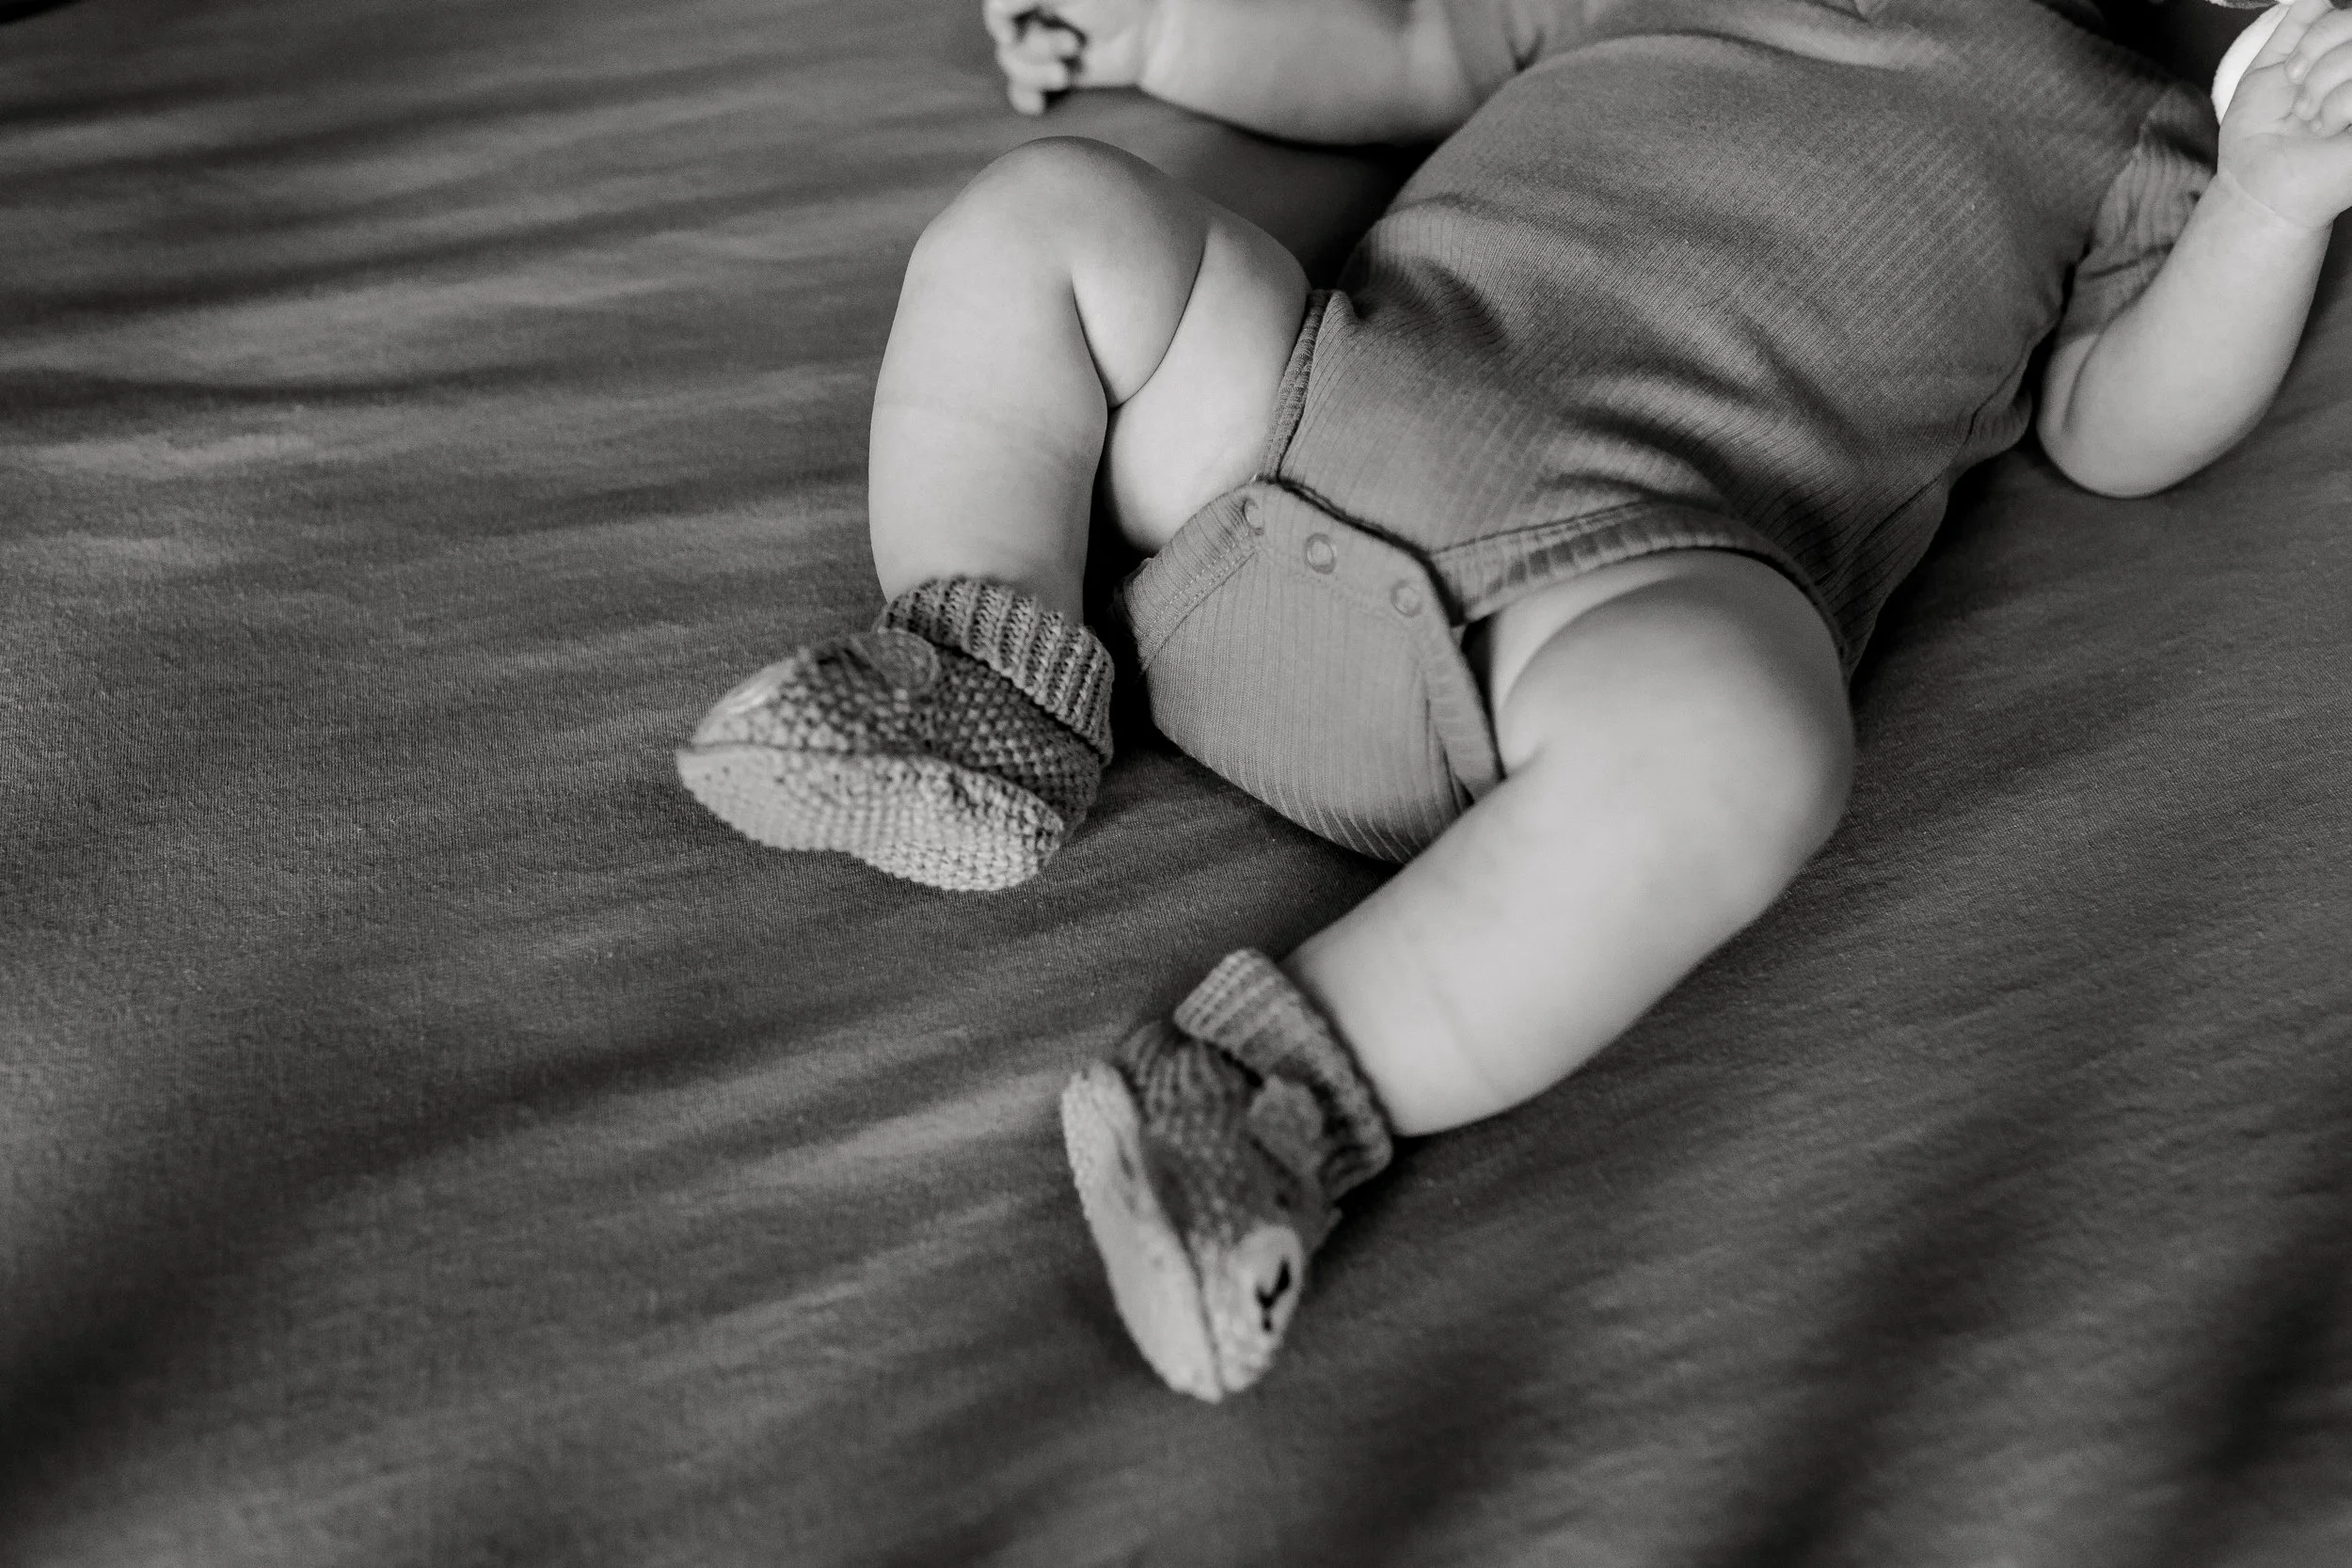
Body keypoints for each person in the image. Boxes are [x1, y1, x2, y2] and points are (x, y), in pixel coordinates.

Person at [675, 0, 2352, 1399]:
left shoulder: (2125, 127)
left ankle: (1260, 1099)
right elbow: (1414, 44)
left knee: (1746, 741)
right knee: (1052, 214)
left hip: (1594, 599)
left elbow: (2113, 425)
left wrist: (2269, 206)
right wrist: (1161, 33)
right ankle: (982, 673)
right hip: (1285, 423)